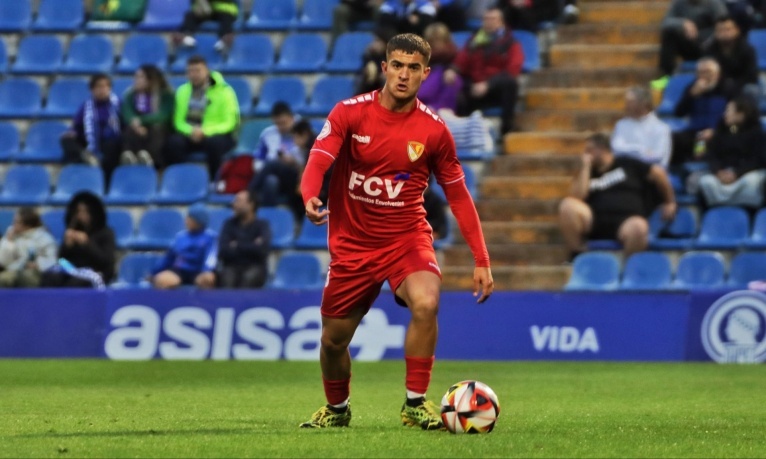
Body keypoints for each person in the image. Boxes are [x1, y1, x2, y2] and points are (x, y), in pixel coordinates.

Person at [298, 33, 493, 430]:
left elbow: (458, 197)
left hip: (406, 238)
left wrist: (481, 259)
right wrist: (309, 194)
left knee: (426, 303)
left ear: (426, 73)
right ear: (385, 68)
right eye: (398, 66)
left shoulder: (434, 131)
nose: (404, 75)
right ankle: (337, 409)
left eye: (413, 68)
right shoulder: (350, 113)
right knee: (333, 341)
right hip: (352, 245)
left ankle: (414, 403)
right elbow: (319, 158)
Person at [558, 133, 677, 258]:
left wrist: (669, 201)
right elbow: (578, 197)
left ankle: (627, 269)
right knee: (567, 206)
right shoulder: (587, 174)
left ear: (602, 149)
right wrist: (585, 167)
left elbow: (659, 173)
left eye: (589, 150)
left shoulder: (627, 164)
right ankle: (578, 256)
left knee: (639, 227)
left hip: (626, 222)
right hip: (595, 221)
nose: (586, 154)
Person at [444, 7, 524, 135]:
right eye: (486, 19)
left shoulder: (511, 43)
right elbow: (462, 58)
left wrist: (488, 85)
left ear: (501, 22)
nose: (489, 22)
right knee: (456, 89)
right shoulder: (474, 41)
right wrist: (453, 70)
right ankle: (462, 132)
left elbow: (512, 70)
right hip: (474, 87)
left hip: (496, 89)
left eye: (493, 19)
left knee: (511, 83)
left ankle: (507, 127)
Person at [165, 55, 240, 179]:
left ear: (206, 71)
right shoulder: (182, 91)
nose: (194, 74)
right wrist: (191, 131)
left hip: (216, 134)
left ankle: (215, 180)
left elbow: (230, 122)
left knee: (215, 144)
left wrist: (205, 131)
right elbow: (178, 121)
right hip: (191, 133)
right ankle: (182, 179)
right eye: (190, 71)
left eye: (197, 70)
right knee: (173, 143)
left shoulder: (225, 91)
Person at [698, 95, 766, 208]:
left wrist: (737, 173)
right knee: (706, 182)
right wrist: (718, 172)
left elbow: (757, 160)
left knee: (752, 181)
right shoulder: (722, 132)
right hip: (722, 174)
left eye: (729, 110)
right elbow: (713, 156)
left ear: (741, 114)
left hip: (744, 175)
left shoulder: (756, 133)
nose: (725, 114)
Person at [41, 191, 116, 288]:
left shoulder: (106, 233)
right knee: (50, 278)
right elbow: (61, 260)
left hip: (97, 272)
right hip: (73, 271)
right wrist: (67, 246)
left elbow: (106, 261)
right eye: (78, 211)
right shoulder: (73, 230)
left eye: (84, 211)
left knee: (76, 283)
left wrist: (87, 244)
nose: (81, 215)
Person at [671, 57, 736, 165]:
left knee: (719, 140)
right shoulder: (691, 88)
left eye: (708, 72)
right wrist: (691, 96)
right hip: (696, 131)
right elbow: (678, 113)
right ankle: (679, 172)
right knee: (674, 139)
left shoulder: (728, 88)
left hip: (721, 131)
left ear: (717, 74)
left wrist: (716, 131)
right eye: (701, 73)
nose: (705, 76)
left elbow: (735, 118)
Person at [60, 73, 122, 185]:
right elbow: (76, 126)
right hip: (89, 141)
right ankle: (85, 157)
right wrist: (72, 132)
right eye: (99, 86)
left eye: (105, 86)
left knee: (113, 145)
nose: (102, 89)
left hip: (110, 142)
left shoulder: (118, 105)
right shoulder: (86, 106)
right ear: (92, 89)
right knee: (66, 140)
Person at [654, 0, 727, 86]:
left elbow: (725, 24)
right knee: (669, 33)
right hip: (690, 44)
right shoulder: (679, 3)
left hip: (710, 46)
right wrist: (683, 23)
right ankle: (667, 75)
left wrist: (708, 39)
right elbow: (665, 23)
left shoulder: (714, 3)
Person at [249, 102, 305, 216]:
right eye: (277, 124)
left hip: (297, 174)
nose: (281, 127)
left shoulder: (303, 131)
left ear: (292, 118)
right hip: (275, 175)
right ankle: (269, 217)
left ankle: (249, 192)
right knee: (271, 181)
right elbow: (257, 161)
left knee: (274, 164)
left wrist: (294, 161)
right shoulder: (268, 134)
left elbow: (311, 158)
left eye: (284, 123)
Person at [151, 204, 218, 289]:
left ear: (199, 221)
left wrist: (206, 271)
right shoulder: (180, 237)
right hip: (180, 271)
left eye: (190, 218)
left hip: (199, 271)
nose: (186, 220)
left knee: (208, 279)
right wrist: (154, 272)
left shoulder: (210, 237)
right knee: (162, 280)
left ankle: (204, 302)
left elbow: (211, 258)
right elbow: (168, 257)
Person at [120, 64, 175, 169]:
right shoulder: (130, 94)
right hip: (137, 128)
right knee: (129, 130)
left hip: (158, 128)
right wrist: (135, 124)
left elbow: (163, 116)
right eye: (136, 77)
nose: (136, 80)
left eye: (140, 77)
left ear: (151, 80)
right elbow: (127, 112)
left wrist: (141, 121)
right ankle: (128, 157)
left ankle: (150, 159)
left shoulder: (166, 94)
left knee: (157, 129)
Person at [217, 190, 272, 288]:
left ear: (251, 204)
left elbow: (262, 251)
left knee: (249, 277)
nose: (234, 204)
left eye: (238, 201)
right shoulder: (228, 224)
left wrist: (236, 245)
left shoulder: (262, 225)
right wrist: (252, 245)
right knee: (227, 277)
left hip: (255, 267)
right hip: (231, 266)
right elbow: (223, 250)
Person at [611, 86, 672, 168]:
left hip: (650, 172)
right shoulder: (621, 125)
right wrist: (642, 150)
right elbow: (617, 149)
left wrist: (629, 152)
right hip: (626, 170)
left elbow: (658, 156)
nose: (626, 105)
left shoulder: (661, 128)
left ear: (643, 103)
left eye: (631, 102)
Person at [702, 14, 760, 98]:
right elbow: (706, 73)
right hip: (718, 85)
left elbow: (751, 76)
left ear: (737, 30)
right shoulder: (709, 50)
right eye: (720, 30)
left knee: (751, 90)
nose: (724, 33)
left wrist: (733, 85)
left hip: (741, 85)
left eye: (728, 29)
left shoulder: (748, 49)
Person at [0, 208, 57, 288]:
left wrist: (37, 264)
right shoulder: (12, 236)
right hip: (13, 271)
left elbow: (52, 260)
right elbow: (3, 261)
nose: (13, 225)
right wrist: (9, 242)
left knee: (26, 276)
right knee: (4, 278)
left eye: (17, 222)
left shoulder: (44, 238)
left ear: (27, 224)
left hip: (37, 274)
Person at [419, 22, 462, 112]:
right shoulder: (422, 55)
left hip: (445, 81)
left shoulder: (454, 53)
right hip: (427, 81)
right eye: (432, 41)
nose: (435, 44)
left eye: (438, 40)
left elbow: (458, 65)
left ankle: (440, 109)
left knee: (452, 79)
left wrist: (451, 70)